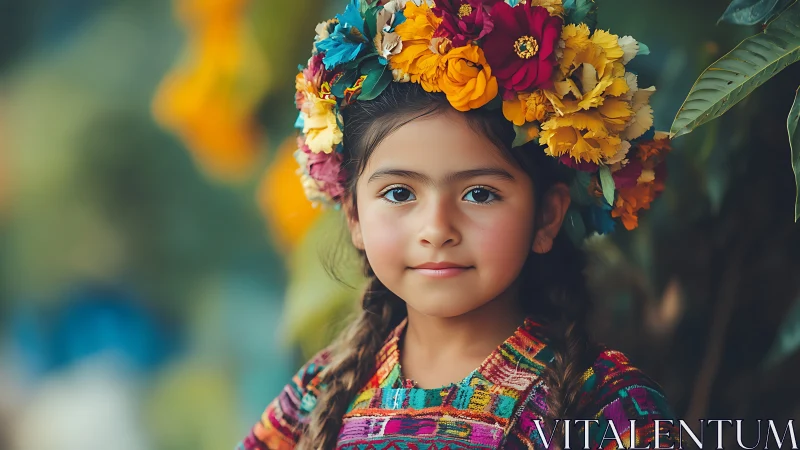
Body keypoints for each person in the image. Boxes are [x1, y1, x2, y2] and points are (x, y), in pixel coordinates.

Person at [240, 0, 680, 448]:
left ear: (546, 216)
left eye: (480, 194)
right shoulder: (317, 397)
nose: (437, 228)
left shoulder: (609, 407)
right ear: (354, 215)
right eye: (399, 193)